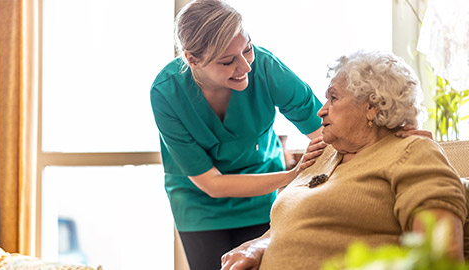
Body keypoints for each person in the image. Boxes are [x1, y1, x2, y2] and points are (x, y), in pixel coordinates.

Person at [151, 1, 431, 269]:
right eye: (227, 62)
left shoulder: (265, 67)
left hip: (263, 196)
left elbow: (331, 132)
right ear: (192, 59)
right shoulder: (166, 93)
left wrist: (393, 138)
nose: (246, 66)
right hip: (200, 205)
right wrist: (291, 176)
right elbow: (212, 184)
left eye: (247, 49)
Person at [220, 50, 466, 270]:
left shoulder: (412, 152)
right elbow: (294, 224)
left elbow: (441, 257)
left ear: (373, 107)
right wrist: (258, 244)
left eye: (333, 98)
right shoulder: (323, 154)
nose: (321, 110)